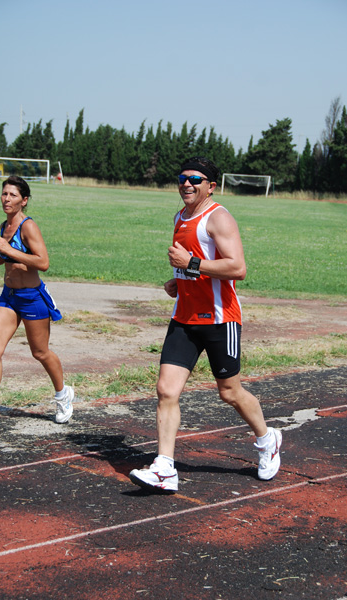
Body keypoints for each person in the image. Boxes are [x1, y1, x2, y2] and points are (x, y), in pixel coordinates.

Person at [129, 157, 282, 493]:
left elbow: (237, 268)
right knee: (166, 390)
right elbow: (190, 264)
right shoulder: (180, 217)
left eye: (195, 179)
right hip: (184, 317)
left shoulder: (219, 218)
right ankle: (165, 467)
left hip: (219, 319)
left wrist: (192, 264)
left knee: (230, 392)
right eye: (182, 178)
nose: (187, 184)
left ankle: (267, 439)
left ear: (211, 186)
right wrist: (177, 279)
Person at [0, 176, 74, 429]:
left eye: (13, 195)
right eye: (4, 194)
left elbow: (43, 262)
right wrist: (0, 257)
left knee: (40, 352)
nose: (7, 199)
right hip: (9, 296)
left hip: (31, 298)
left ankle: (63, 395)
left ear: (24, 200)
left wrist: (9, 248)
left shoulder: (28, 226)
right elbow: (15, 257)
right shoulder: (5, 225)